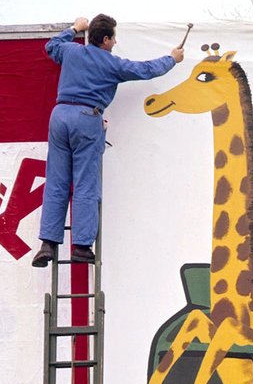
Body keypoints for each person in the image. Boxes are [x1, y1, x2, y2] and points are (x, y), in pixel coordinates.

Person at [32, 15, 185, 267]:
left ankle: (47, 243)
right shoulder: (111, 64)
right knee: (84, 184)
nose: (115, 42)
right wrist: (173, 59)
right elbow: (146, 70)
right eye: (113, 38)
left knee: (57, 182)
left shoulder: (70, 50)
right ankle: (81, 246)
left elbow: (51, 46)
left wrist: (74, 28)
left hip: (59, 117)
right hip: (87, 119)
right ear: (105, 39)